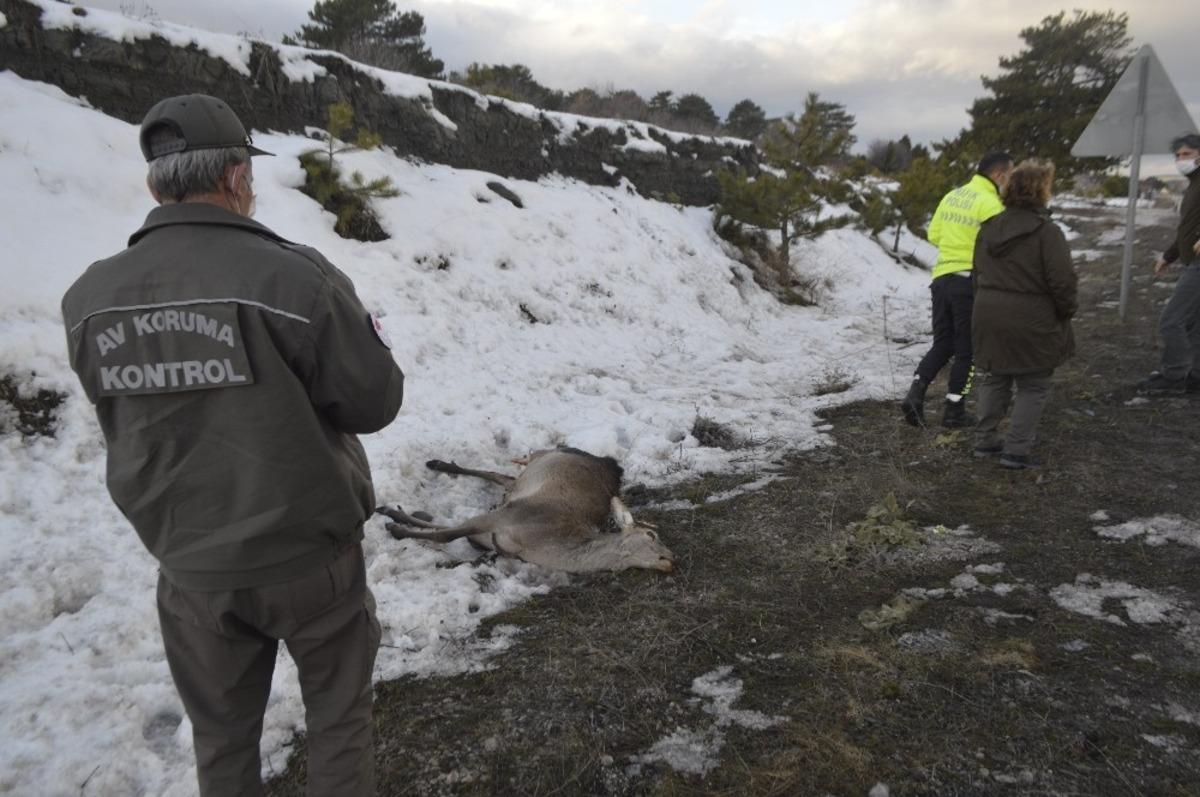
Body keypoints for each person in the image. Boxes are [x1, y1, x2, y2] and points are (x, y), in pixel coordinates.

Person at [61, 94, 404, 796]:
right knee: (338, 722)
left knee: (220, 741)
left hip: (192, 567)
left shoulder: (88, 298)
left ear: (157, 183)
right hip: (311, 560)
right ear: (234, 176)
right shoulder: (294, 278)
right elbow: (374, 402)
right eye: (248, 172)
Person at [970, 159, 1077, 469]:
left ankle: (985, 441)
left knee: (995, 377)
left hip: (988, 312)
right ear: (1041, 191)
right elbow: (1062, 281)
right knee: (1033, 382)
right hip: (1032, 316)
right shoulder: (1047, 232)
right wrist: (1066, 311)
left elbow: (977, 274)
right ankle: (1016, 451)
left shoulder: (988, 229)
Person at [901, 151, 1014, 428]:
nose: (1010, 182)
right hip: (968, 283)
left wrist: (957, 243)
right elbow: (1000, 245)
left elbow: (934, 235)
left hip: (941, 279)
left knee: (943, 343)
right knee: (966, 349)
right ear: (998, 175)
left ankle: (915, 393)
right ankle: (954, 410)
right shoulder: (990, 203)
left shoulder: (952, 196)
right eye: (1010, 175)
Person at [1137, 133, 1200, 394]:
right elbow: (1188, 228)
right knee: (1193, 324)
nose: (1181, 159)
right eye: (1178, 155)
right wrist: (1169, 255)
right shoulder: (1193, 184)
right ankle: (1195, 376)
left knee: (1171, 320)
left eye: (1187, 154)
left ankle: (1173, 376)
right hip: (1191, 261)